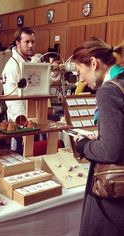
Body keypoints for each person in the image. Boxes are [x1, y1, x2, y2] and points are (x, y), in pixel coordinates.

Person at [72, 37, 124, 236]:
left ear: (94, 63)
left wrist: (84, 146)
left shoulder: (108, 92)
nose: (81, 80)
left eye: (80, 72)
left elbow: (111, 151)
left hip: (114, 200)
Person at [2, 27, 35, 154]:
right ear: (17, 43)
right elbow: (12, 99)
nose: (31, 45)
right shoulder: (12, 66)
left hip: (31, 121)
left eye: (32, 41)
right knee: (23, 159)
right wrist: (23, 125)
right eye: (27, 42)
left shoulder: (27, 63)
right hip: (21, 124)